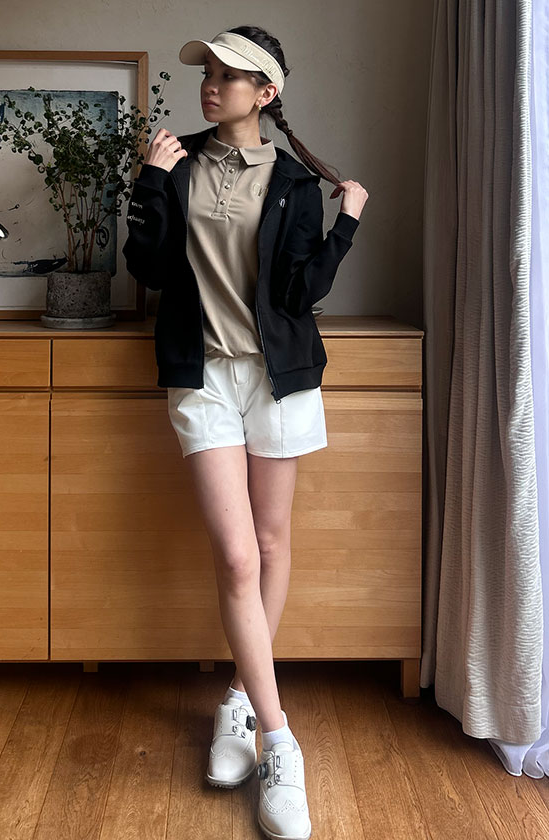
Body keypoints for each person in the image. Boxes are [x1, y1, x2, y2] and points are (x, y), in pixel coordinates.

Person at [122, 25, 368, 840]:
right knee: (234, 556)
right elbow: (148, 268)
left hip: (279, 378)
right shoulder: (178, 161)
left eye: (231, 76)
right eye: (209, 72)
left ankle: (237, 700)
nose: (212, 84)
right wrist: (151, 181)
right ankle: (280, 738)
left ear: (266, 94)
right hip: (203, 377)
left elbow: (301, 292)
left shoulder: (294, 182)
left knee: (269, 542)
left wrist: (347, 222)